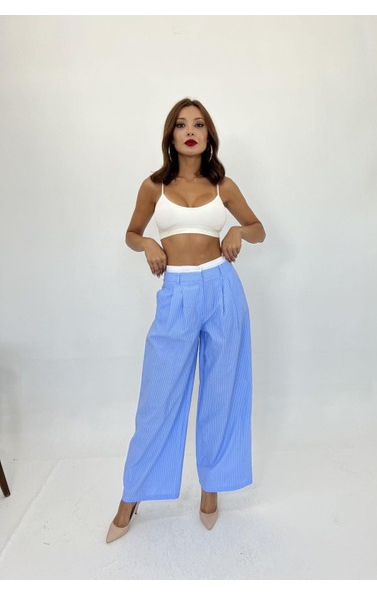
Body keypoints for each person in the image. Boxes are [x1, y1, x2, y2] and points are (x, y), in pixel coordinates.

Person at [106, 97, 266, 543]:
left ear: (208, 135)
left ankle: (211, 489)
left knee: (222, 391)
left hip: (222, 289)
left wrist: (236, 230)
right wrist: (147, 245)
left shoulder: (224, 186)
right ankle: (132, 496)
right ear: (171, 135)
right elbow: (131, 233)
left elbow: (258, 229)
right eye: (181, 124)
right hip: (176, 292)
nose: (190, 131)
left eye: (198, 124)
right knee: (158, 399)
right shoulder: (153, 187)